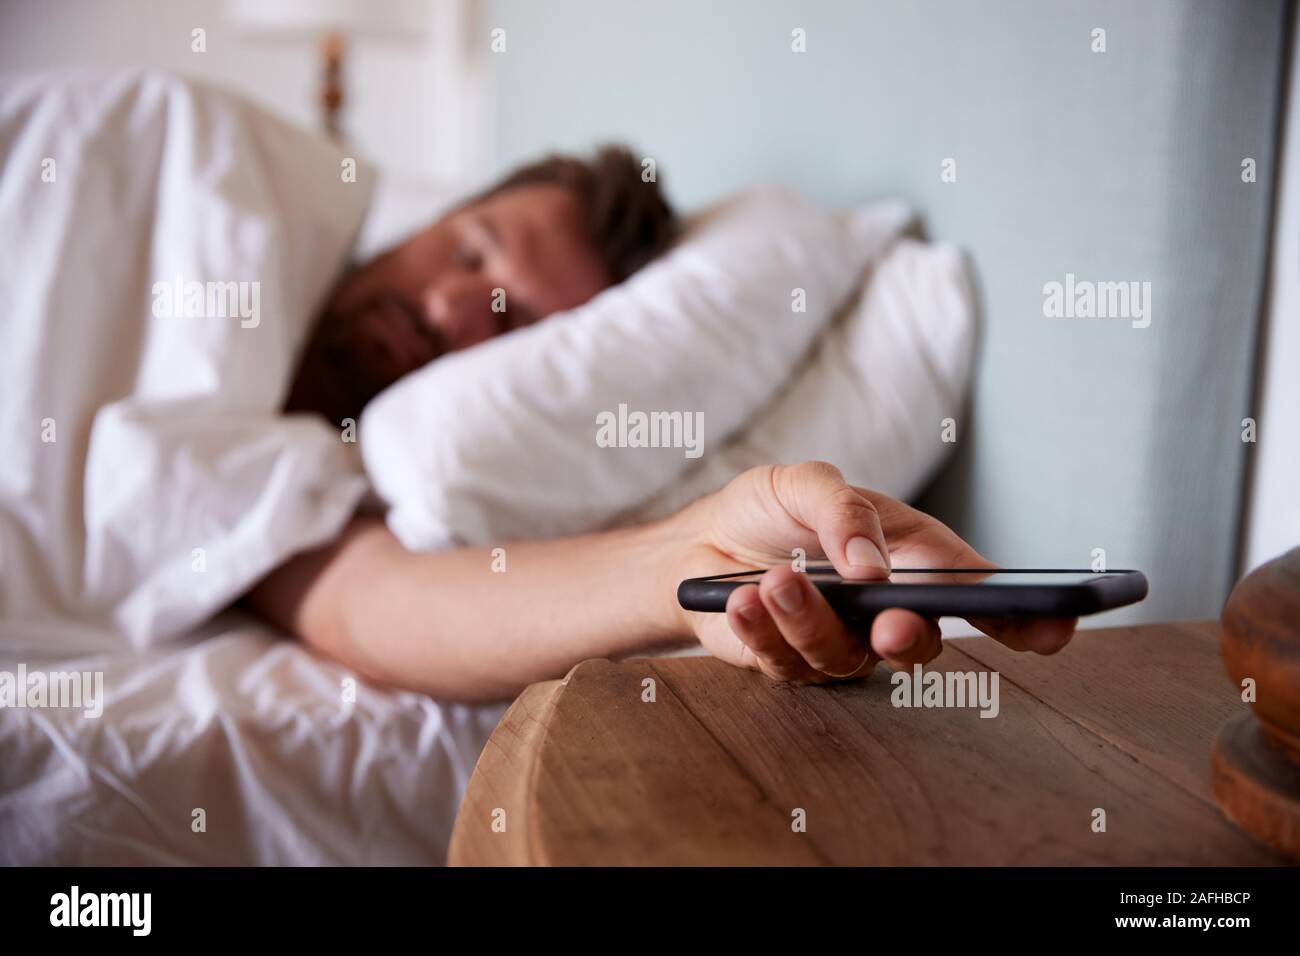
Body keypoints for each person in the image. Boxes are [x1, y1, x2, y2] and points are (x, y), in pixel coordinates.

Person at [249, 146, 1076, 701]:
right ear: (441, 211)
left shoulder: (312, 481)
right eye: (470, 252)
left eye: (510, 330)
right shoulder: (242, 201)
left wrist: (702, 556)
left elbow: (373, 603)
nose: (448, 309)